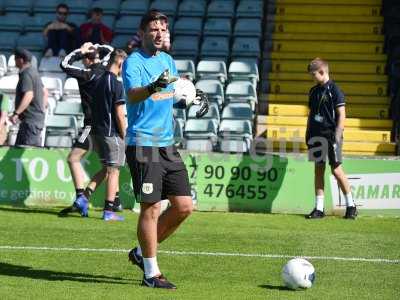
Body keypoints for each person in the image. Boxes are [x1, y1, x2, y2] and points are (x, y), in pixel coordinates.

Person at [122, 10, 208, 289]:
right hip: (143, 143)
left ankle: (140, 252)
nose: (160, 34)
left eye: (163, 30)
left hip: (166, 144)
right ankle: (151, 273)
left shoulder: (168, 60)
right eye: (154, 29)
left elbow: (172, 95)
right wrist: (154, 85)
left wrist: (193, 98)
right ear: (143, 33)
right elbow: (134, 95)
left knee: (184, 206)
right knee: (151, 207)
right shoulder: (133, 61)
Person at [59, 42, 123, 218]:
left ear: (86, 60)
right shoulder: (105, 69)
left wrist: (81, 51)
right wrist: (97, 46)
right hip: (106, 124)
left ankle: (82, 197)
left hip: (91, 124)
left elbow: (64, 64)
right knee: (108, 166)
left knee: (74, 158)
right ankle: (111, 201)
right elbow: (111, 50)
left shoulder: (85, 74)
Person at [305, 58, 357, 220]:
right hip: (316, 136)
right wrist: (308, 134)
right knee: (318, 169)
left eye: (313, 75)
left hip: (331, 136)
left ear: (322, 72)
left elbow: (342, 115)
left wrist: (337, 136)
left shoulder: (335, 90)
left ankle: (351, 206)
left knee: (336, 170)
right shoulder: (313, 91)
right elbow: (311, 115)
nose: (312, 78)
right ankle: (319, 209)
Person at [90, 49, 127, 221]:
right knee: (114, 171)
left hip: (97, 132)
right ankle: (108, 211)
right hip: (111, 133)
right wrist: (125, 134)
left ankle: (83, 197)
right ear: (119, 62)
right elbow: (119, 114)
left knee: (105, 169)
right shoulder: (116, 84)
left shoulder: (97, 80)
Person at [10, 48, 48, 147]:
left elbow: (29, 95)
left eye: (15, 58)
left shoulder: (26, 74)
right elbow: (45, 92)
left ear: (21, 60)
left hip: (30, 122)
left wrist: (16, 113)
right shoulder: (34, 72)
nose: (14, 61)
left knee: (27, 151)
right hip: (33, 121)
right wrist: (40, 110)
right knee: (20, 150)